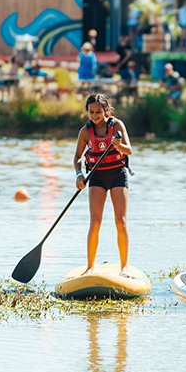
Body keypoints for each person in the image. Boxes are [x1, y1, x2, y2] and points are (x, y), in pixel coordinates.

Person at [73, 93, 133, 276]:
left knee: (120, 222)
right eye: (91, 112)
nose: (95, 115)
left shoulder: (116, 125)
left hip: (117, 175)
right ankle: (90, 267)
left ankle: (124, 267)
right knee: (95, 221)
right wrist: (79, 175)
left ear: (106, 110)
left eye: (99, 111)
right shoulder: (85, 131)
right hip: (96, 176)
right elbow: (77, 157)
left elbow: (128, 151)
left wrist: (117, 145)